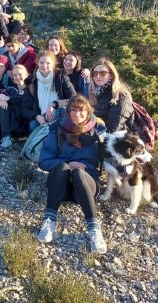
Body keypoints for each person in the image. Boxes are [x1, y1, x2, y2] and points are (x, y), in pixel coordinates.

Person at [37, 94, 108, 254]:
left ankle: (94, 230)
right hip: (60, 186)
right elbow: (44, 160)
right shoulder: (57, 129)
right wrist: (69, 164)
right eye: (73, 110)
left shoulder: (99, 131)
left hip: (85, 186)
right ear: (68, 111)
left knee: (78, 173)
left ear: (89, 111)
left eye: (82, 110)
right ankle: (49, 220)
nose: (77, 114)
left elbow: (111, 158)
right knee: (63, 167)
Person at [20, 50, 76, 134]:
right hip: (42, 117)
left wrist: (54, 104)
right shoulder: (32, 81)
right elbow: (24, 108)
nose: (44, 66)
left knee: (64, 111)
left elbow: (74, 98)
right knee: (33, 125)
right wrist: (36, 116)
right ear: (37, 63)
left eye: (48, 63)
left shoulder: (61, 77)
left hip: (59, 115)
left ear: (53, 64)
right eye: (41, 62)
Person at [89, 58, 134, 133]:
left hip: (115, 141)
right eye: (95, 73)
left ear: (112, 75)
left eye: (103, 73)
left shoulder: (121, 96)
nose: (98, 76)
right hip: (96, 136)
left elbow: (113, 129)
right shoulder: (94, 94)